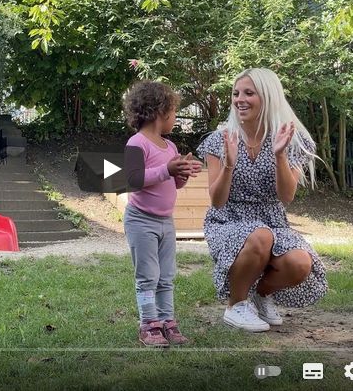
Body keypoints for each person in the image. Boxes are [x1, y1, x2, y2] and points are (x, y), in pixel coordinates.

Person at [195, 68, 328, 332]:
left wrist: (279, 156)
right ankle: (236, 305)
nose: (239, 100)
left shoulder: (291, 140)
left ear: (267, 96)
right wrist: (229, 164)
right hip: (228, 220)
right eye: (236, 94)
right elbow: (217, 202)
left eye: (248, 93)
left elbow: (286, 196)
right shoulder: (220, 140)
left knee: (300, 263)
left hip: (273, 220)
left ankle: (260, 294)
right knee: (260, 236)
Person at [122, 80, 203, 346]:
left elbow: (173, 183)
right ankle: (148, 324)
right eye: (174, 111)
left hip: (166, 222)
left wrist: (183, 173)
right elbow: (133, 179)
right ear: (160, 111)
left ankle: (167, 320)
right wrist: (167, 170)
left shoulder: (170, 147)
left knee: (166, 275)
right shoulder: (136, 143)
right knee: (148, 276)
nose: (176, 117)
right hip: (141, 220)